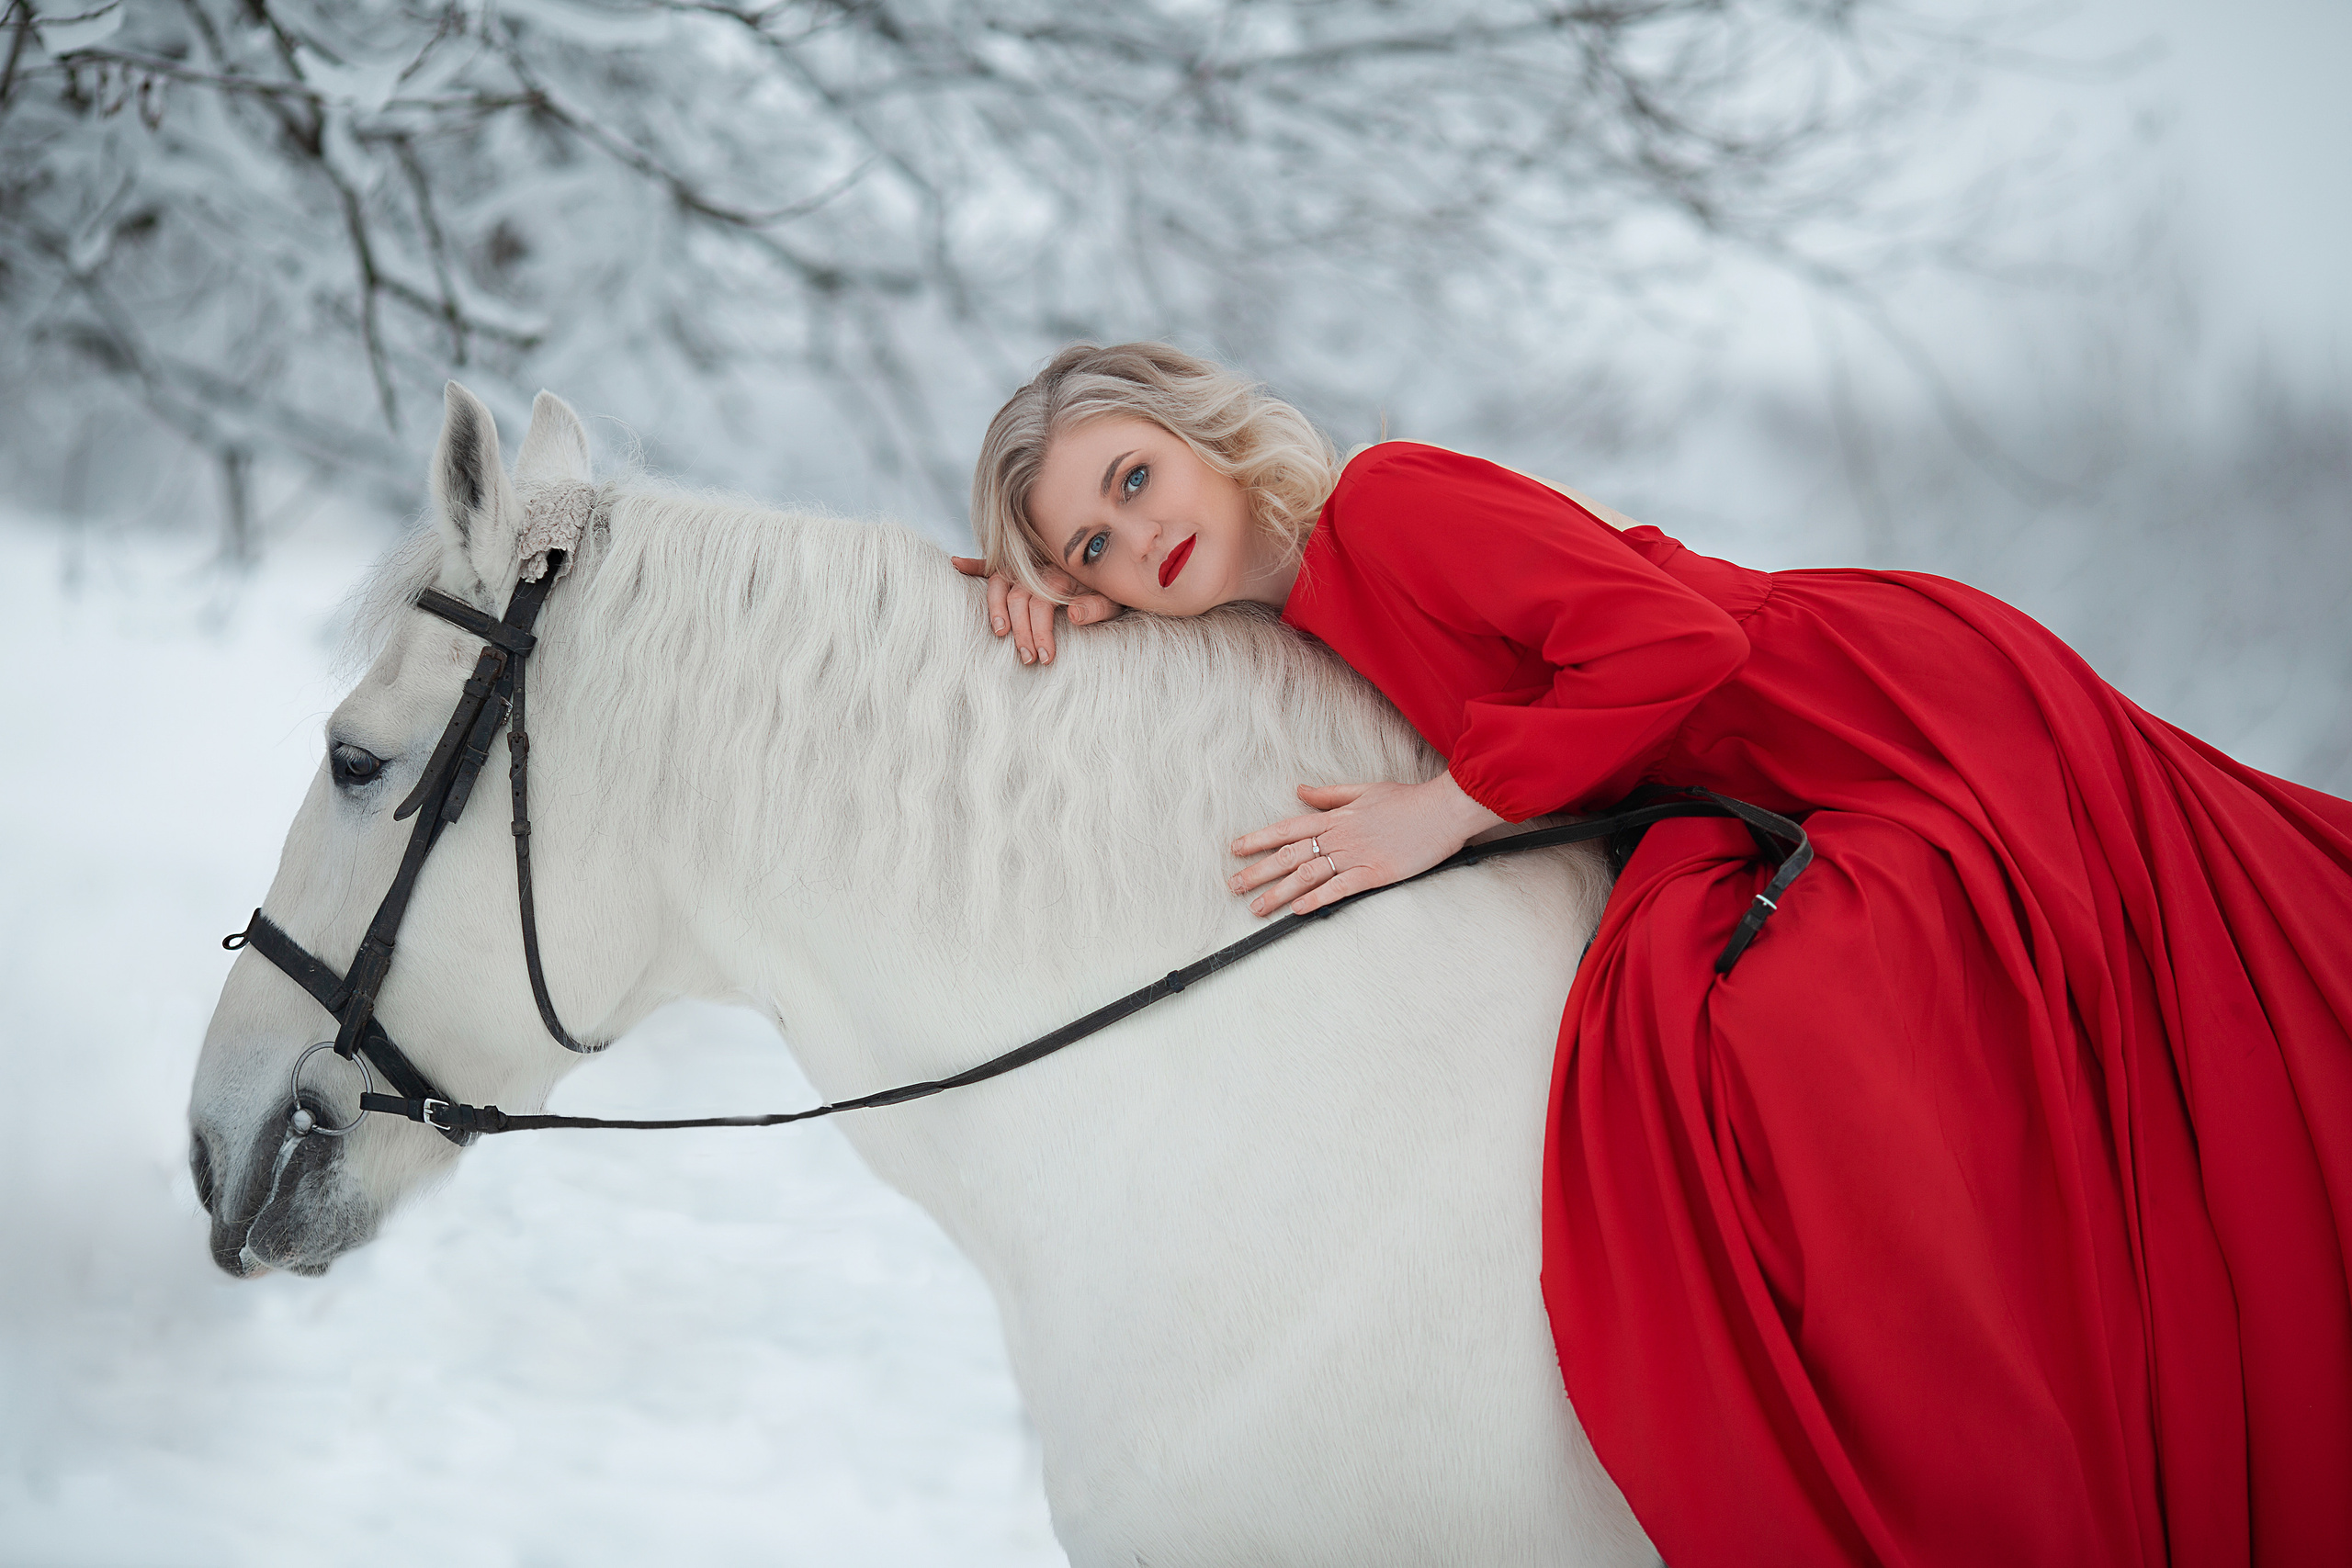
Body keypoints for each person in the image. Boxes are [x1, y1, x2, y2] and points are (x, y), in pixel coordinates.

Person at [953, 341, 2352, 1568]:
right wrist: (1020, 606)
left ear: (1199, 433)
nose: (1133, 545)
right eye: (1091, 553)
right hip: (1746, 785)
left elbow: (1670, 642)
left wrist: (1446, 812)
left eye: (1132, 483)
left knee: (1809, 1021)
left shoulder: (1389, 500)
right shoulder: (1282, 621)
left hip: (1862, 715)